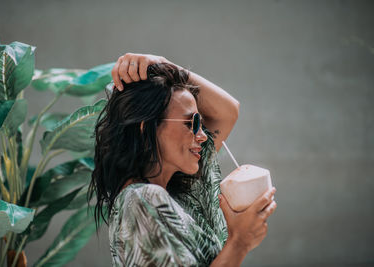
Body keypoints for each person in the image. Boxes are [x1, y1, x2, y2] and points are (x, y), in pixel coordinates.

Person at [87, 53, 277, 266]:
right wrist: (240, 241)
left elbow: (227, 112)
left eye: (201, 122)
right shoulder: (141, 201)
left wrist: (163, 64)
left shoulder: (178, 191)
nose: (203, 134)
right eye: (192, 123)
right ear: (146, 128)